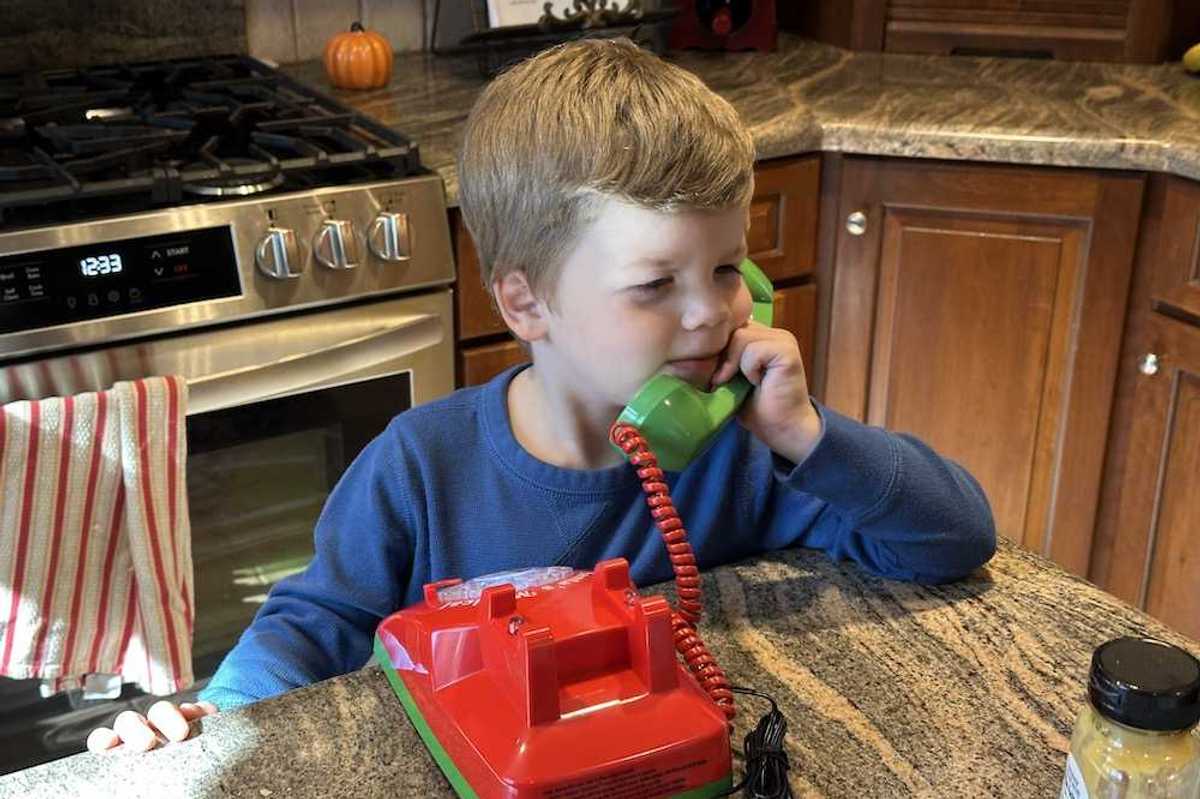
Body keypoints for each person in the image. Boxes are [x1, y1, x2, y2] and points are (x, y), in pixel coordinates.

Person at [87, 37, 995, 753]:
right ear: (524, 300)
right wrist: (213, 717)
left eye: (726, 268)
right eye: (654, 284)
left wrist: (806, 432)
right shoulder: (419, 466)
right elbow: (311, 624)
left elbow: (955, 538)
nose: (710, 314)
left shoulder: (743, 454)